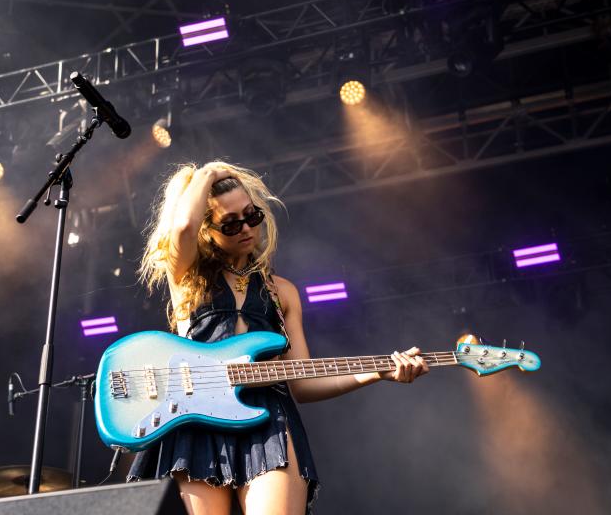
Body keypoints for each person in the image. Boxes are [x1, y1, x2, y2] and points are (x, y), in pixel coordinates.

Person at [128, 161, 429, 515]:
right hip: (197, 422)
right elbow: (182, 227)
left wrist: (378, 372)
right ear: (208, 231)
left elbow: (301, 383)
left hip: (268, 421)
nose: (246, 228)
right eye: (230, 223)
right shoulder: (188, 278)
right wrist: (207, 173)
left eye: (251, 215)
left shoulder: (281, 291)